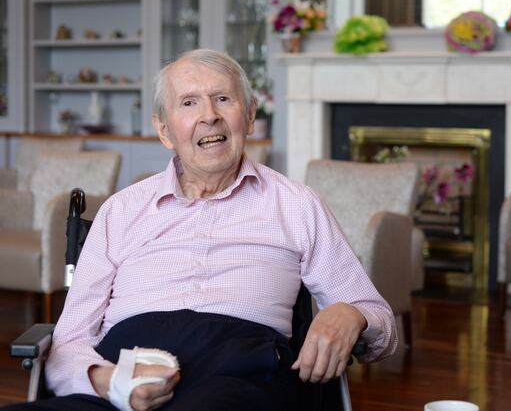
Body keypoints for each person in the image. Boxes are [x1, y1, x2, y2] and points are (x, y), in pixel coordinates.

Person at [4, 49, 397, 411]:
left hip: (241, 379)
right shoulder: (120, 212)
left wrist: (351, 314)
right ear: (164, 131)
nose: (209, 115)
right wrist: (108, 381)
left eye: (223, 98)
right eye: (189, 102)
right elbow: (69, 341)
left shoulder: (297, 205)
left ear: (249, 116)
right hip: (120, 383)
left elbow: (378, 319)